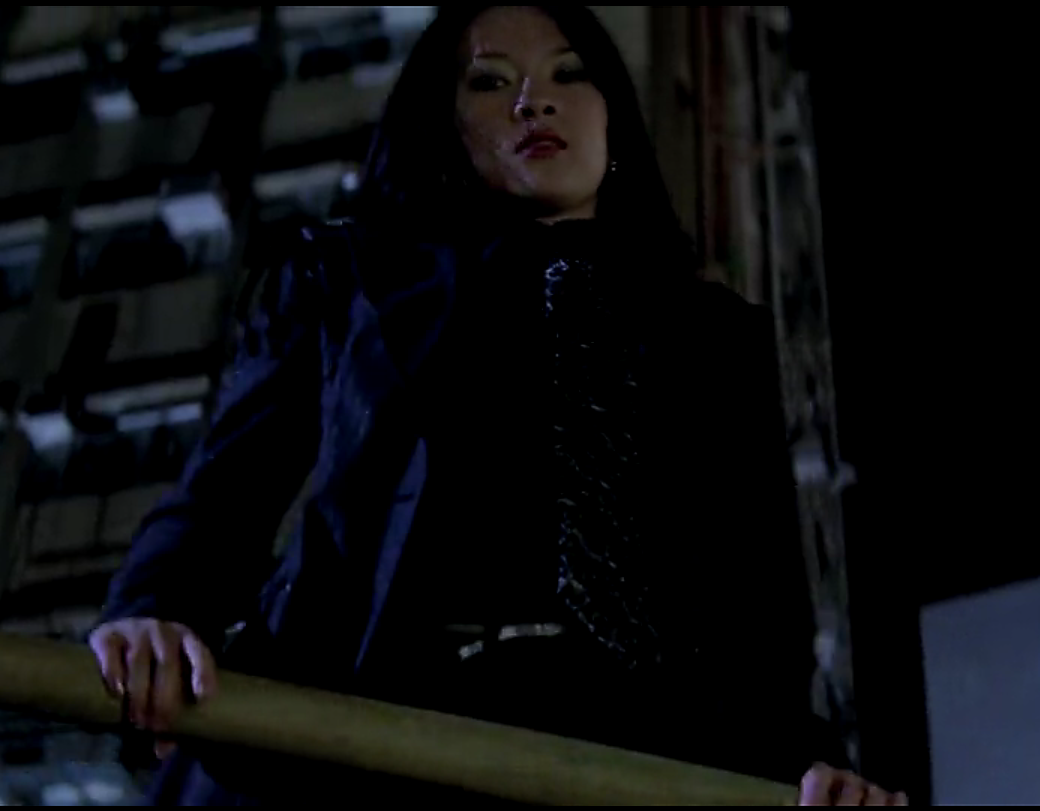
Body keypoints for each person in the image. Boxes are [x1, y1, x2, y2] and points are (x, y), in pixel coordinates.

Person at [89, 6, 906, 806]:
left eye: (568, 75)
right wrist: (153, 615)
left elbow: (759, 617)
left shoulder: (719, 342)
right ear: (446, 125)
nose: (533, 102)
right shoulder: (350, 281)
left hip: (623, 756)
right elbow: (220, 499)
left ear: (612, 119)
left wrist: (813, 771)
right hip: (372, 736)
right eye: (491, 81)